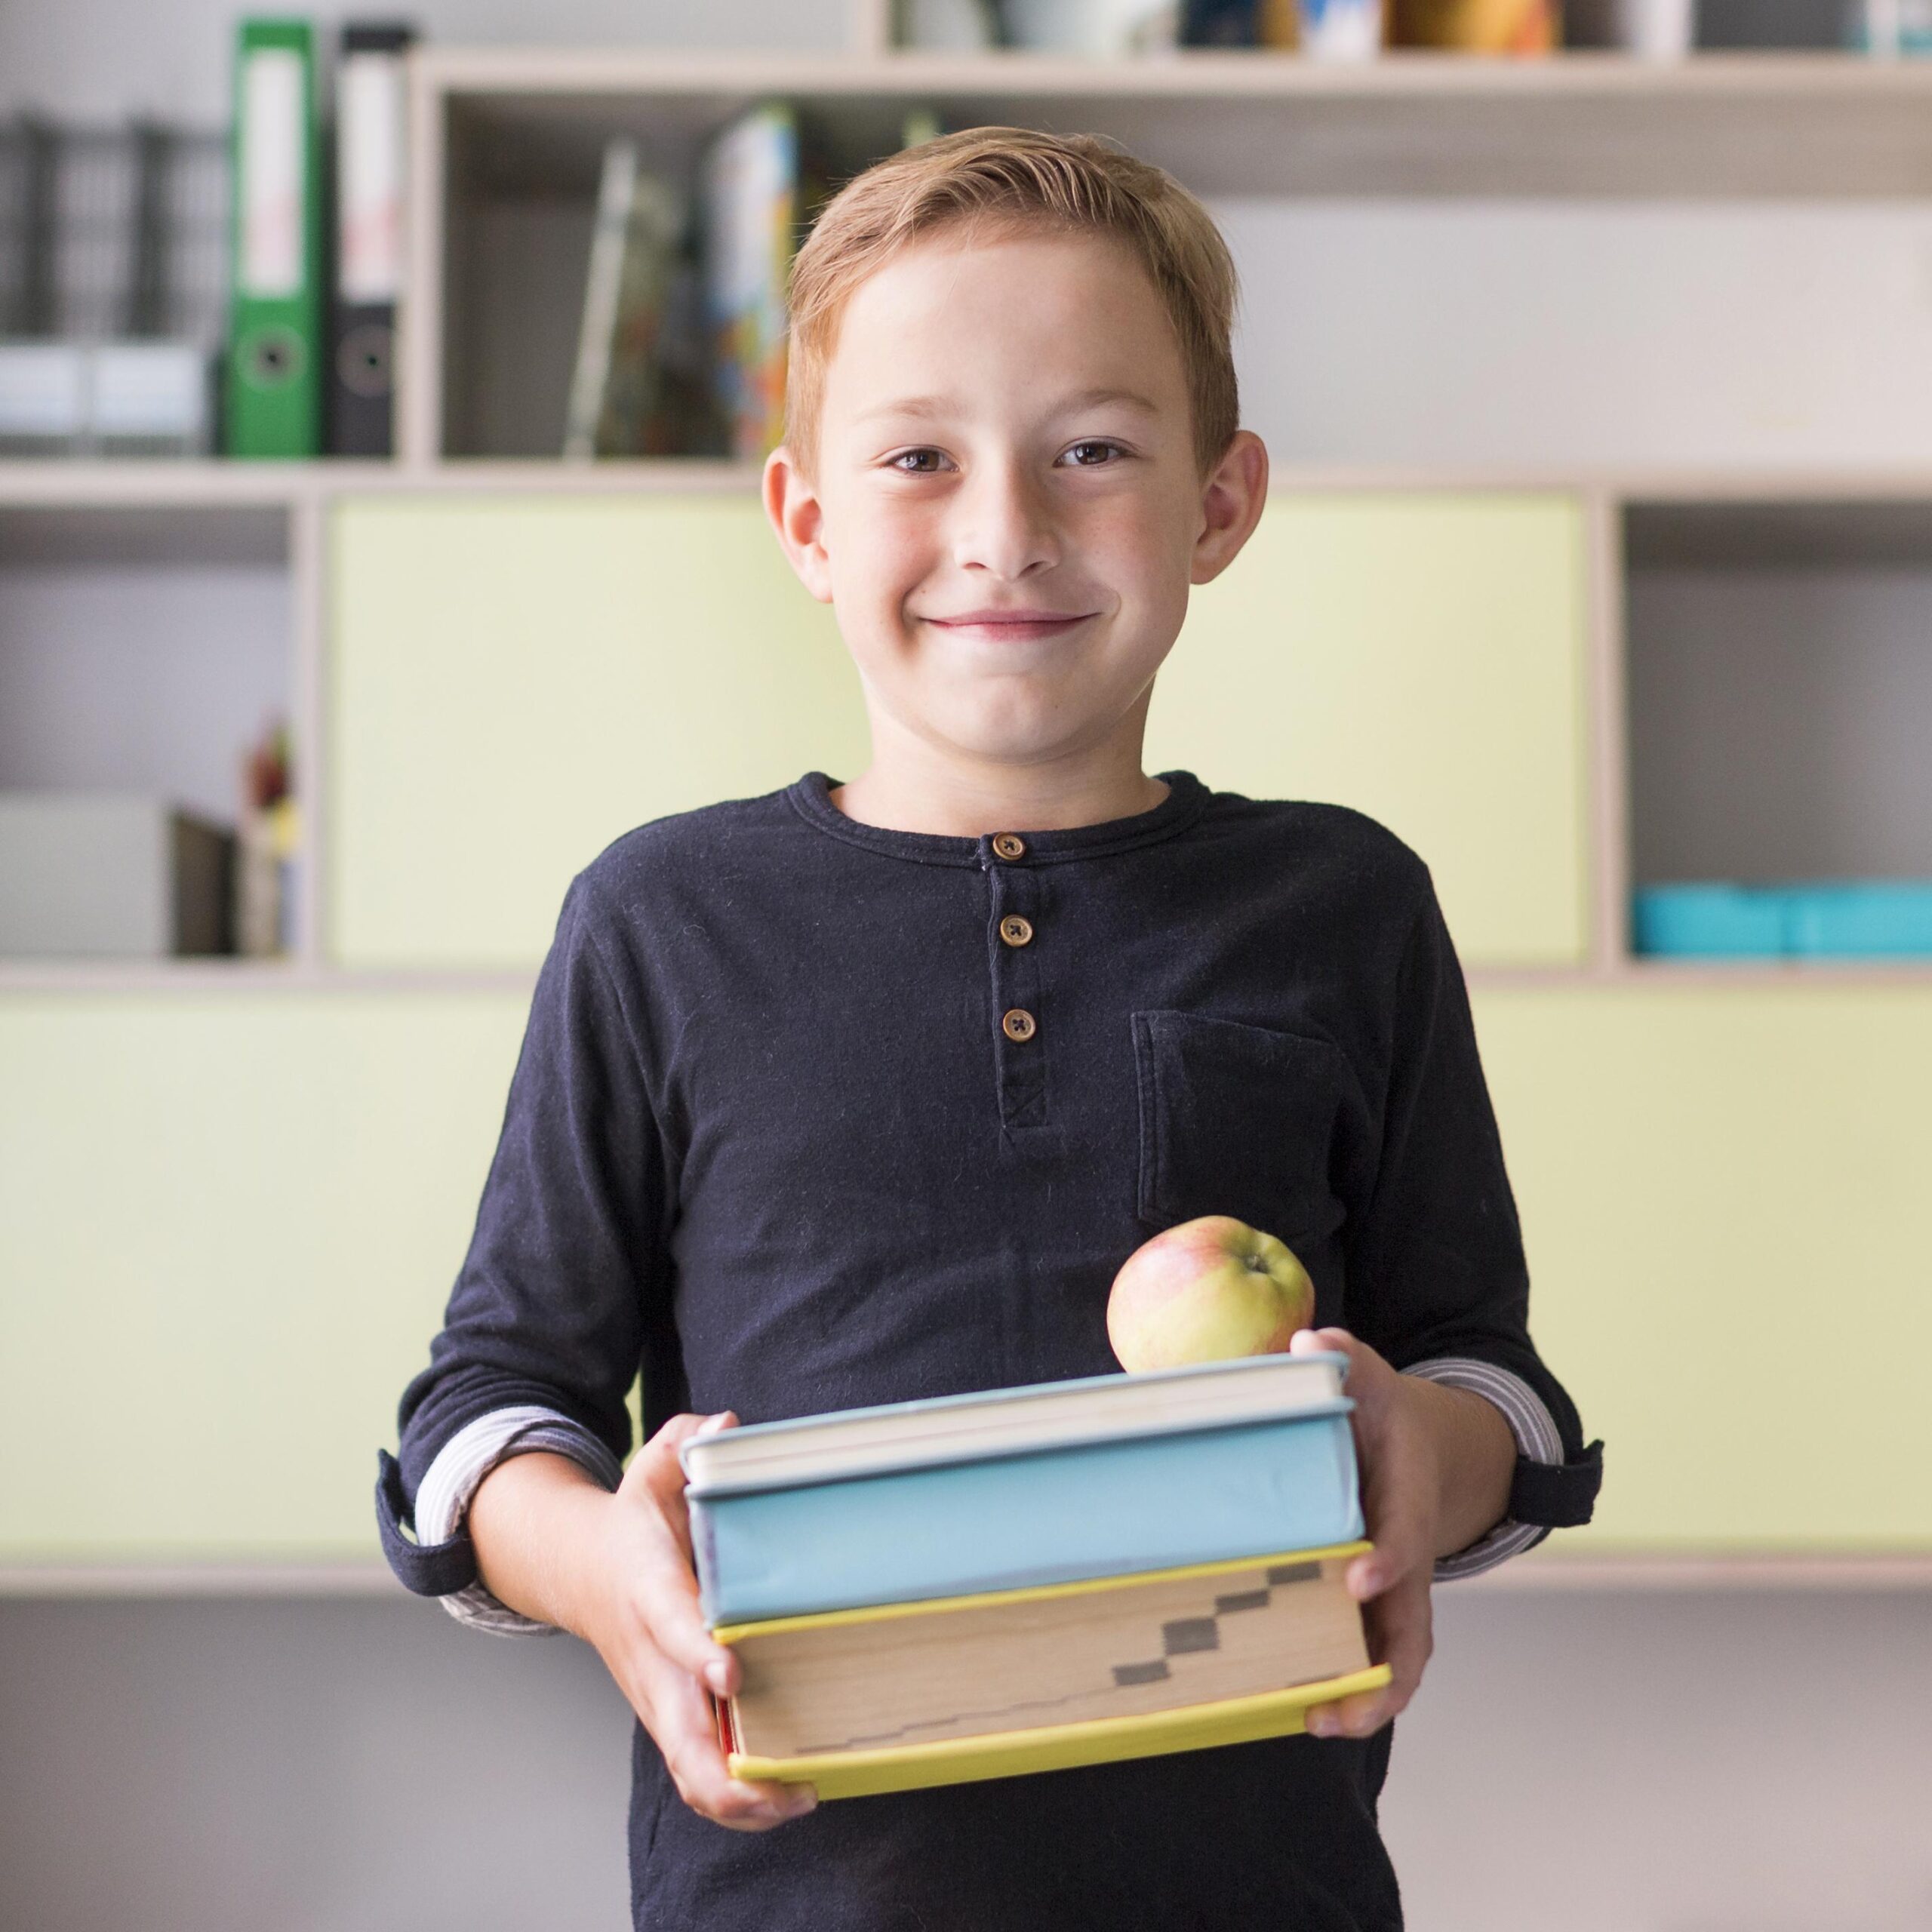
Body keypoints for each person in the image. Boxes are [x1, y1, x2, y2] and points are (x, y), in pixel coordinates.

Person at [374, 125, 1602, 1929]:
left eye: (1090, 449)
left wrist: (1420, 1451)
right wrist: (597, 1564)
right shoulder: (660, 922)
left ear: (1218, 502)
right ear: (804, 517)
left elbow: (1498, 1383)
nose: (1002, 530)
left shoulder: (1343, 905)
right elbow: (480, 1414)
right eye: (917, 457)